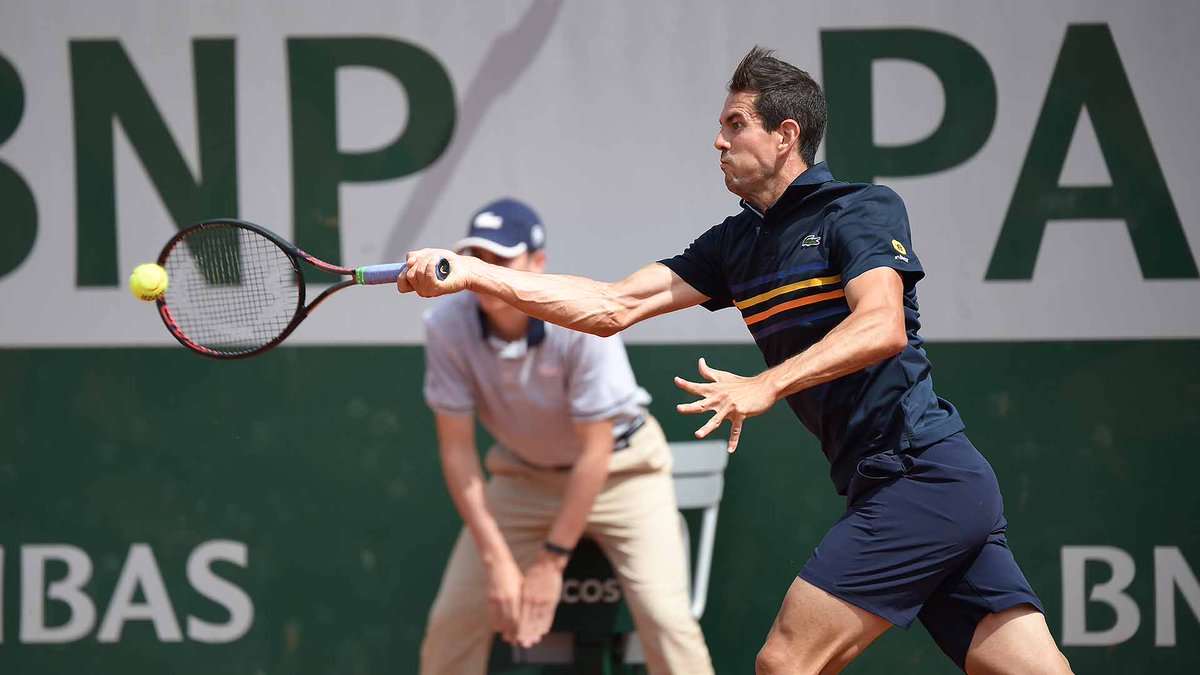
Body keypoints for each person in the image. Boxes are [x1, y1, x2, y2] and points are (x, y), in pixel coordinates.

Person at [400, 49, 1074, 674]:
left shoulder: (860, 210)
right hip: (910, 485)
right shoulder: (734, 245)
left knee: (783, 662)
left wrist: (767, 383)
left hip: (921, 475)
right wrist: (472, 275)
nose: (718, 141)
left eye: (735, 124)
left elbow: (882, 326)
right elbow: (609, 305)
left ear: (785, 135)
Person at [417, 198, 714, 675]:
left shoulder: (575, 322)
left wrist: (550, 563)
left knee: (667, 622)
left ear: (538, 264)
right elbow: (457, 451)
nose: (485, 271)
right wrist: (497, 561)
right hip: (522, 480)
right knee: (452, 623)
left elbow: (596, 451)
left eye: (501, 259)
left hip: (622, 474)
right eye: (478, 258)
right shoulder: (447, 325)